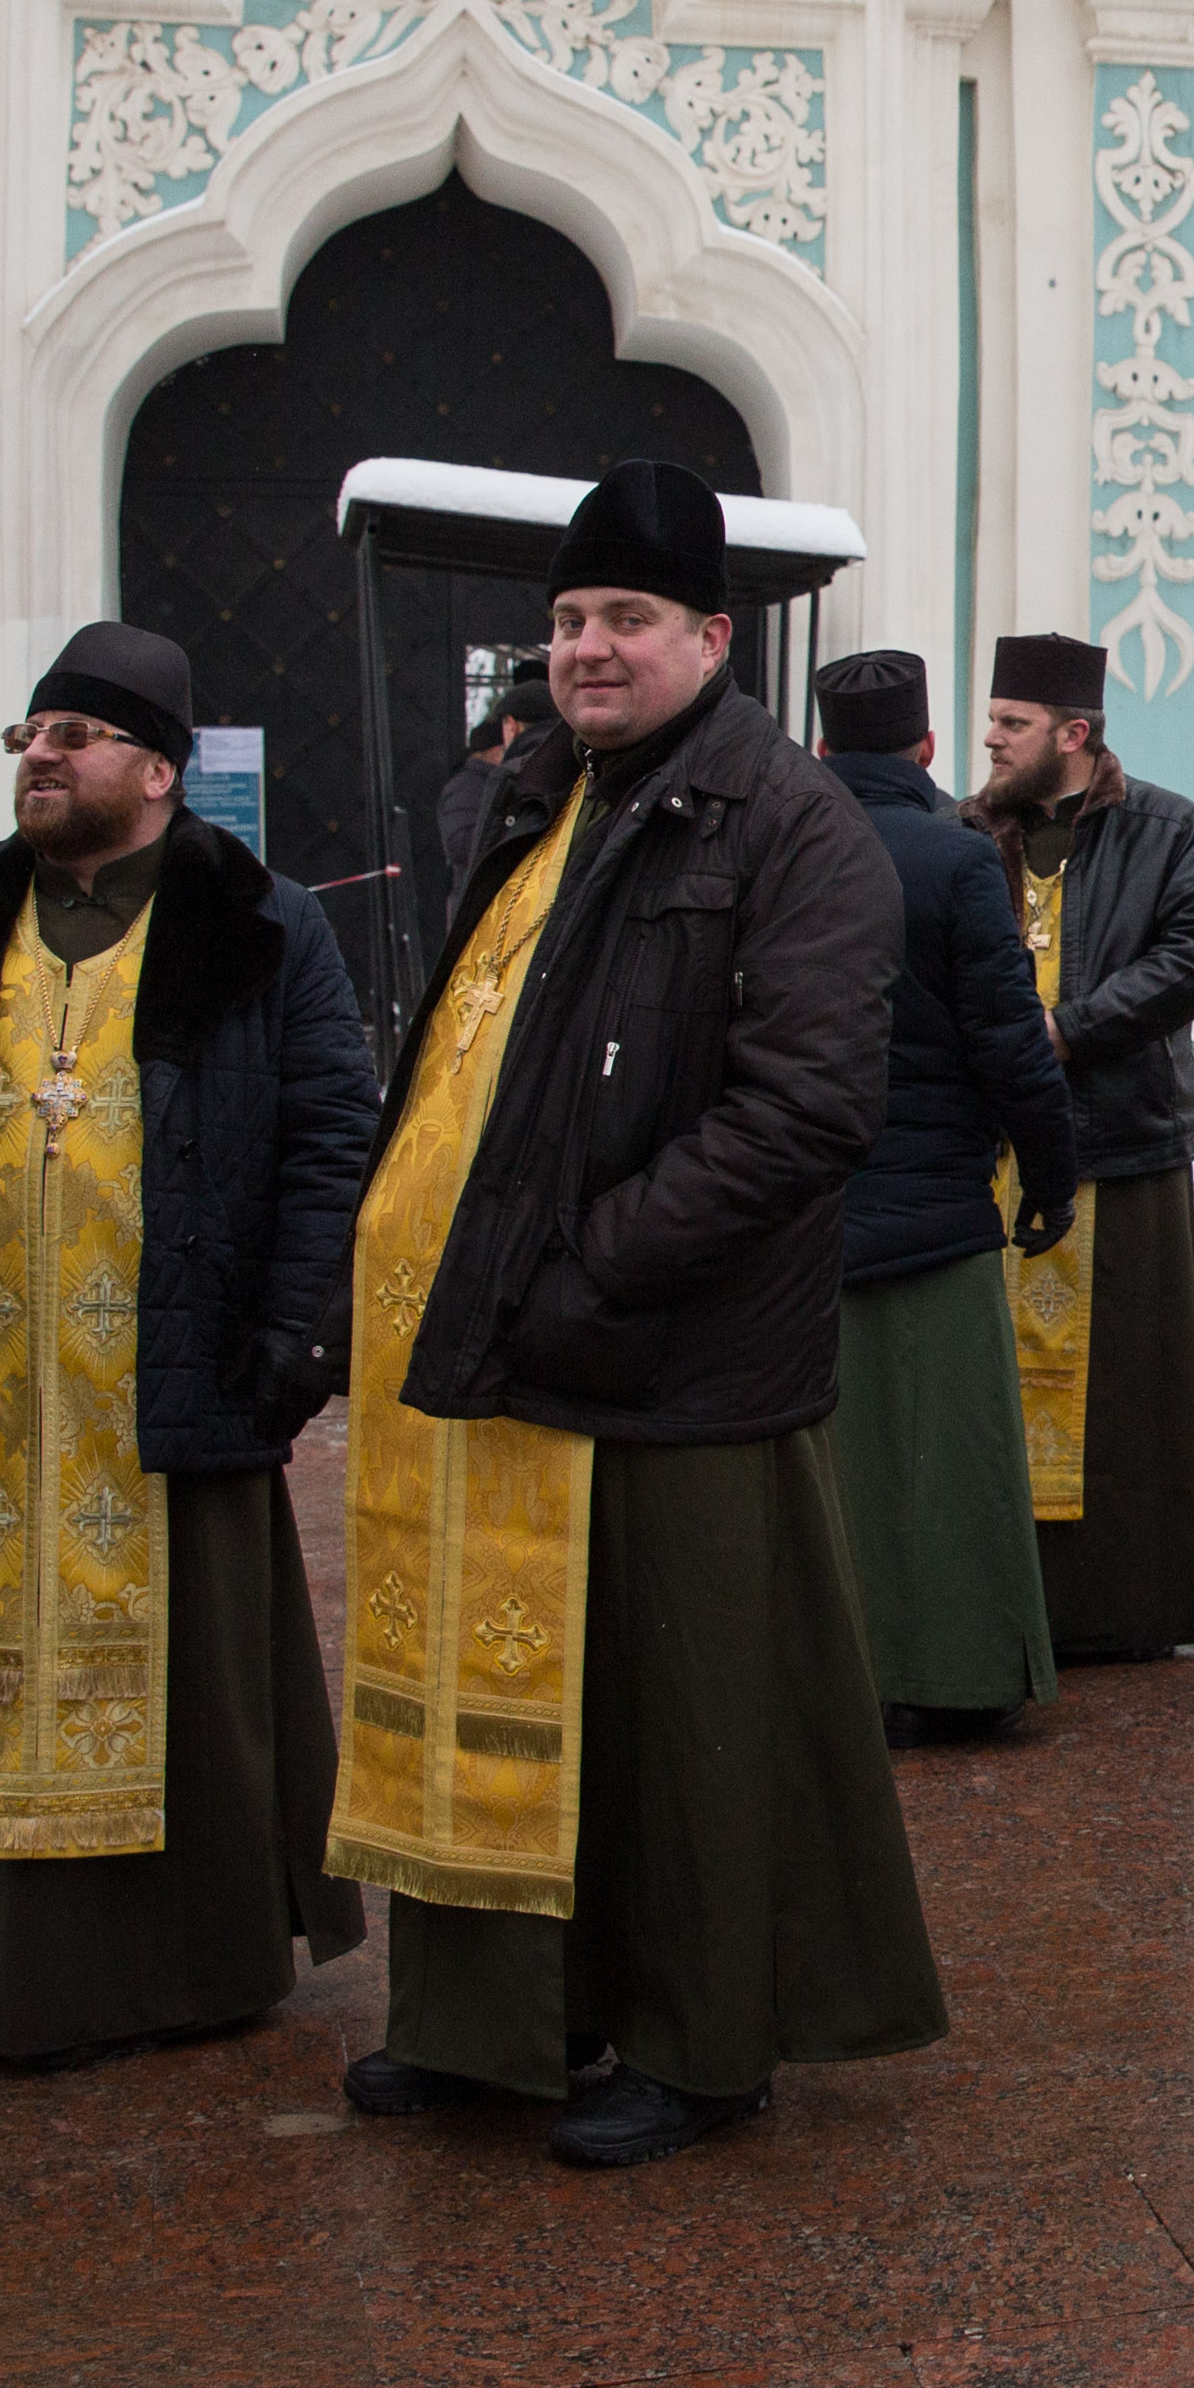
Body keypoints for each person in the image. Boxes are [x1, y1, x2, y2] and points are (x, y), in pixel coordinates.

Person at [326, 461, 941, 2167]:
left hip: (672, 1348)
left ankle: (700, 2044)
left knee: (681, 1721)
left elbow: (807, 1101)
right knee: (500, 1688)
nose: (588, 650)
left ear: (711, 637)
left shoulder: (785, 820)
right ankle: (489, 2021)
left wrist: (597, 1255)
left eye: (627, 620)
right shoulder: (548, 794)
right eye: (570, 620)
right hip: (493, 1340)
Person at [0, 622, 372, 2065]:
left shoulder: (263, 919)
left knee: (193, 1680)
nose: (40, 756)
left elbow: (333, 1132)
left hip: (178, 1367)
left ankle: (195, 1965)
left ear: (157, 770)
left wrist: (300, 1327)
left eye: (75, 736)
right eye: (29, 736)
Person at [813, 650, 1078, 1749]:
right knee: (953, 1455)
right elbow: (1010, 1037)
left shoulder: (778, 851)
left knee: (839, 1465)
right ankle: (964, 1671)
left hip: (808, 1210)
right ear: (925, 748)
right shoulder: (959, 856)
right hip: (936, 1210)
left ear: (824, 748)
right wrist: (1050, 1171)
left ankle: (835, 1675)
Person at [968, 633, 1194, 1666]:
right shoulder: (970, 827)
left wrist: (1069, 1027)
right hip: (991, 1152)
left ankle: (1129, 1603)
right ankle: (1010, 1592)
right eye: (992, 719)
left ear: (1073, 734)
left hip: (1122, 1138)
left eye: (1012, 724)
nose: (991, 739)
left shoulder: (1171, 828)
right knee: (992, 1381)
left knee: (1128, 1393)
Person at [434, 668, 551, 939]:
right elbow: (461, 844)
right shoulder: (468, 788)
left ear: (511, 726)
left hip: (501, 912)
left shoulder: (508, 776)